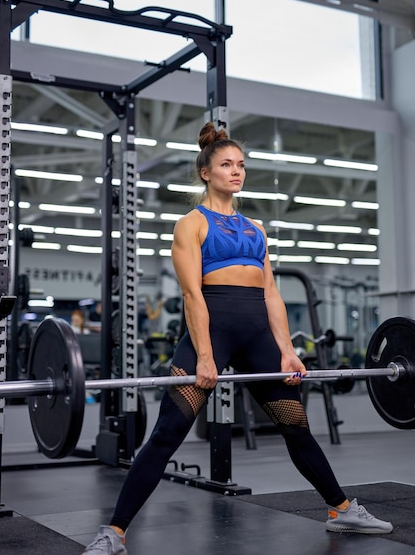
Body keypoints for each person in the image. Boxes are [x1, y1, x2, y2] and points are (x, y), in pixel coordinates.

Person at [82, 122, 392, 555]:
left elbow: (271, 294)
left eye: (241, 165)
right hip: (211, 333)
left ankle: (341, 510)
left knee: (295, 426)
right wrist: (205, 356)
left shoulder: (257, 229)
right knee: (167, 434)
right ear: (206, 172)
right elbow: (192, 294)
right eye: (226, 164)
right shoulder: (191, 224)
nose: (236, 172)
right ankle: (114, 533)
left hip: (257, 337)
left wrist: (287, 351)